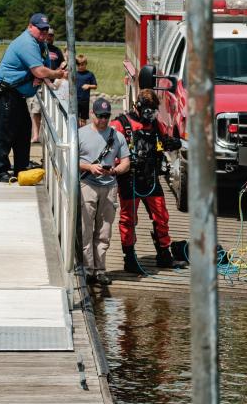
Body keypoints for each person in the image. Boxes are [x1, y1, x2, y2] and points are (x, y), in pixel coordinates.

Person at [110, 89, 185, 273]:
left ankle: (164, 255)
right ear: (138, 107)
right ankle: (129, 258)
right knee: (128, 220)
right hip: (129, 180)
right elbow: (108, 149)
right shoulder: (121, 124)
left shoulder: (155, 125)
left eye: (153, 112)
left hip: (151, 178)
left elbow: (163, 141)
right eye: (147, 112)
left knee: (162, 216)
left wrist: (172, 142)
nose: (150, 116)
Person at [0, 12, 67, 182]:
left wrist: (46, 75)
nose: (44, 32)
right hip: (7, 94)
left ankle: (21, 167)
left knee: (23, 131)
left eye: (46, 29)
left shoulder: (40, 44)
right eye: (40, 29)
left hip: (17, 95)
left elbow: (43, 70)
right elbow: (40, 71)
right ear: (30, 27)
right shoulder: (27, 42)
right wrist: (56, 74)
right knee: (4, 133)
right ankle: (1, 172)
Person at [78, 98, 130, 286]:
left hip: (109, 186)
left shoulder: (117, 136)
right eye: (99, 116)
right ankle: (87, 269)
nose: (103, 120)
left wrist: (114, 170)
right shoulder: (80, 134)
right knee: (85, 229)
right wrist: (89, 167)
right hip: (88, 184)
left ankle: (100, 270)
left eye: (106, 116)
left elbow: (125, 162)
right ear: (92, 114)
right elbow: (70, 160)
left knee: (104, 230)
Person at [28, 26, 67, 142]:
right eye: (47, 35)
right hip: (39, 84)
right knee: (36, 110)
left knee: (52, 111)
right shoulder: (37, 49)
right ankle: (36, 136)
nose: (49, 37)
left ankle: (50, 136)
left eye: (51, 35)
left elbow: (62, 66)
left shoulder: (56, 51)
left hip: (53, 86)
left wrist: (61, 69)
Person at [75, 54, 98, 126]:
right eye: (78, 64)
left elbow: (95, 86)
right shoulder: (74, 74)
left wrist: (88, 86)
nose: (80, 66)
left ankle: (83, 132)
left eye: (82, 64)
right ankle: (76, 132)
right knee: (75, 118)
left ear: (86, 64)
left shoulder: (89, 74)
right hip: (75, 99)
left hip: (85, 100)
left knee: (83, 118)